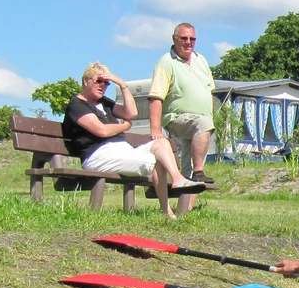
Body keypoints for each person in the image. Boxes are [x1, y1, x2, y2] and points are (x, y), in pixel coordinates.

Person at [60, 62, 203, 220]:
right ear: (86, 81)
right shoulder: (77, 105)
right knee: (154, 160)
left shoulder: (104, 103)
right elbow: (101, 130)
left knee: (162, 143)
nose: (103, 86)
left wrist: (121, 84)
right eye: (99, 81)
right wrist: (124, 126)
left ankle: (177, 179)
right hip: (97, 155)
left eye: (107, 83)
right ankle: (167, 212)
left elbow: (131, 112)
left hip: (122, 150)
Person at [148, 22, 216, 190]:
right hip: (177, 118)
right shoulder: (166, 63)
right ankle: (199, 171)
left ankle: (186, 209)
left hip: (197, 123)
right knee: (204, 125)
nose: (188, 42)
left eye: (192, 39)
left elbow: (209, 89)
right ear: (174, 39)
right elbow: (156, 97)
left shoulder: (202, 60)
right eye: (184, 38)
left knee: (188, 168)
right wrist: (155, 130)